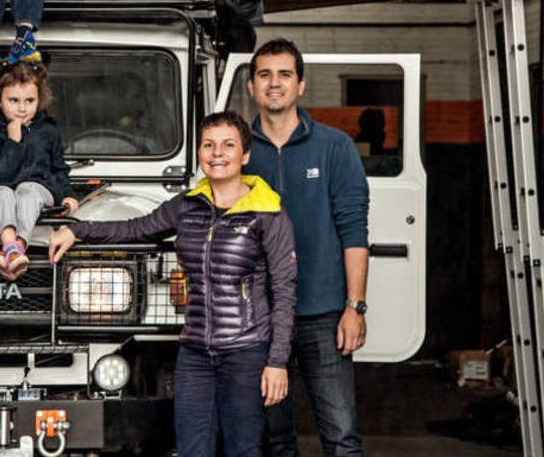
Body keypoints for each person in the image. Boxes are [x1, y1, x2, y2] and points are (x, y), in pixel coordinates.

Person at [49, 111, 297, 457]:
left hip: (246, 352)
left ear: (245, 155)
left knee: (244, 449)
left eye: (228, 145)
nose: (217, 154)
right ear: (199, 153)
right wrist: (77, 229)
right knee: (193, 450)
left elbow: (285, 291)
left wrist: (277, 362)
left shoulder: (269, 212)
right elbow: (134, 228)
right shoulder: (187, 206)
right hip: (195, 354)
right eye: (208, 145)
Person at [242, 38, 370, 456]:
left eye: (284, 74)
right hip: (258, 319)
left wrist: (355, 307)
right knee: (273, 440)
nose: (274, 84)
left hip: (322, 313)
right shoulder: (236, 151)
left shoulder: (335, 147)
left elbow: (354, 232)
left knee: (341, 437)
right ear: (251, 87)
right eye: (264, 75)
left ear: (301, 85)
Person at [0, 62, 78, 280]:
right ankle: (12, 247)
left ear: (40, 100)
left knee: (27, 190)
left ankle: (15, 250)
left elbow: (59, 167)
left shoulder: (48, 128)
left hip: (39, 187)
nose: (22, 108)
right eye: (14, 100)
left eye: (30, 101)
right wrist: (13, 140)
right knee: (4, 193)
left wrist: (69, 194)